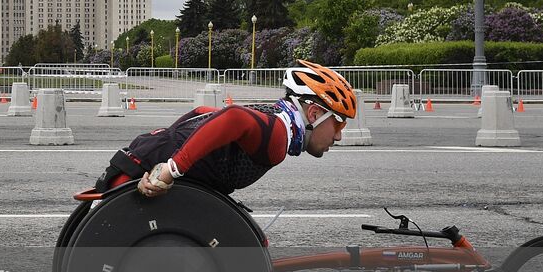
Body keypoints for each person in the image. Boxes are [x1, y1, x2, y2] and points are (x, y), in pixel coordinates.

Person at [88, 60, 357, 199]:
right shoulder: (278, 135)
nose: (338, 135)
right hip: (141, 166)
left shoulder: (275, 118)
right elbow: (233, 118)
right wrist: (171, 169)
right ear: (315, 113)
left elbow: (202, 113)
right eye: (339, 122)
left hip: (146, 152)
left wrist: (168, 146)